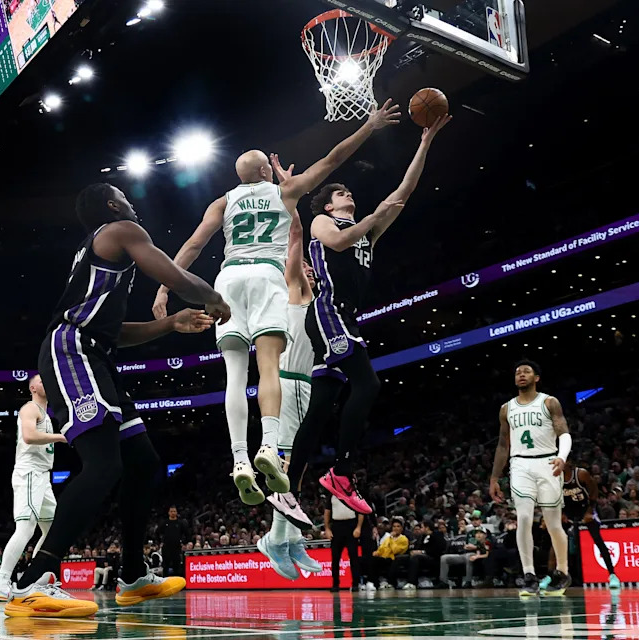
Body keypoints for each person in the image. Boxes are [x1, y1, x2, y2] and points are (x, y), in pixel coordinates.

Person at [152, 102, 401, 509]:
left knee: (234, 375)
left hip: (229, 279)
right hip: (267, 276)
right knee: (267, 366)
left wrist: (165, 289)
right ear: (267, 171)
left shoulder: (223, 201)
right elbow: (334, 157)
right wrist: (369, 127)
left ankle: (238, 460)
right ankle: (268, 445)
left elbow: (194, 245)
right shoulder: (286, 190)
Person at [5, 183, 230, 618]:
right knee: (105, 464)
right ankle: (34, 579)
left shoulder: (105, 261)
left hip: (96, 353)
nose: (132, 200)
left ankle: (132, 573)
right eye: (124, 195)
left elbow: (115, 333)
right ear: (113, 206)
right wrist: (214, 298)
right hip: (72, 351)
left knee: (144, 463)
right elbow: (176, 277)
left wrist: (169, 325)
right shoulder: (121, 230)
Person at [274, 113, 451, 527]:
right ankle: (341, 472)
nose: (347, 194)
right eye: (341, 192)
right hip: (328, 313)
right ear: (330, 203)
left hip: (345, 318)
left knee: (319, 410)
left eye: (348, 191)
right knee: (368, 383)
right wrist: (371, 218)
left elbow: (403, 193)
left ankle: (288, 489)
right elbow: (338, 240)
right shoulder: (324, 222)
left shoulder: (367, 233)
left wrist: (425, 143)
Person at [255, 155, 322, 578]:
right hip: (287, 385)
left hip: (308, 387)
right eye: (304, 267)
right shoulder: (293, 289)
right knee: (285, 469)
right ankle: (275, 539)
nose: (309, 270)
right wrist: (291, 192)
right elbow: (295, 236)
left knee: (296, 469)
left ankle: (287, 538)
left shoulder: (317, 303)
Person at [490, 359, 572, 597]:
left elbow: (563, 432)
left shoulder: (549, 402)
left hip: (548, 462)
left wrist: (562, 457)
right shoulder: (506, 408)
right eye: (517, 372)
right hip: (520, 464)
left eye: (526, 371)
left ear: (536, 378)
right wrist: (494, 478)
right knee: (524, 517)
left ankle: (562, 572)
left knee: (554, 524)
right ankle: (529, 574)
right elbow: (503, 444)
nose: (521, 374)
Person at [0, 375, 67, 601]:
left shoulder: (46, 414)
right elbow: (30, 436)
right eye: (42, 380)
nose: (47, 382)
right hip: (30, 473)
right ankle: (1, 581)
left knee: (53, 530)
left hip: (43, 476)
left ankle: (34, 576)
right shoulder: (29, 408)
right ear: (32, 387)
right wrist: (62, 437)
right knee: (25, 528)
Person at [539, 461, 621, 591]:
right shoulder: (555, 477)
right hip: (568, 510)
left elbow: (594, 491)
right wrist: (561, 513)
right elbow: (553, 497)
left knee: (597, 540)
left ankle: (612, 575)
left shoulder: (581, 474)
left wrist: (590, 510)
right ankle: (549, 576)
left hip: (586, 509)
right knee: (555, 542)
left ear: (568, 464)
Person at [389, 519, 445, 590]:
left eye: (421, 527)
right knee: (399, 558)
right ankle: (391, 583)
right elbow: (417, 548)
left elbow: (438, 550)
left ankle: (412, 583)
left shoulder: (438, 535)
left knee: (415, 557)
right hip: (421, 558)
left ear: (427, 528)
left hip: (433, 558)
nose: (420, 529)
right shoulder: (422, 537)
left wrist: (422, 552)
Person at [324, 494, 363, 591]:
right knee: (335, 557)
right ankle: (335, 584)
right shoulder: (332, 495)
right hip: (337, 526)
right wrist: (327, 529)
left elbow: (361, 510)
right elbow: (327, 512)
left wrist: (358, 527)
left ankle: (355, 584)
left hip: (351, 524)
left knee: (353, 556)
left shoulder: (353, 494)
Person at [366, 518, 408, 591]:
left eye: (398, 526)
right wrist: (377, 552)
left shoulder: (403, 539)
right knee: (372, 559)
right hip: (385, 558)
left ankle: (390, 583)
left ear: (401, 528)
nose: (396, 528)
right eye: (394, 526)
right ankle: (372, 583)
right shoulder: (388, 538)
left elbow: (395, 550)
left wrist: (391, 538)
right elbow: (382, 548)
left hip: (394, 558)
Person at [160, 506, 188, 577]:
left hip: (177, 547)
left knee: (177, 565)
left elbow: (187, 533)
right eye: (171, 511)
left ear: (176, 512)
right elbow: (157, 532)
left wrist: (184, 543)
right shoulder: (165, 523)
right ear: (169, 513)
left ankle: (177, 582)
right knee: (166, 565)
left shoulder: (180, 523)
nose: (173, 513)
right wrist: (160, 542)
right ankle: (165, 581)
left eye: (174, 511)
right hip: (166, 547)